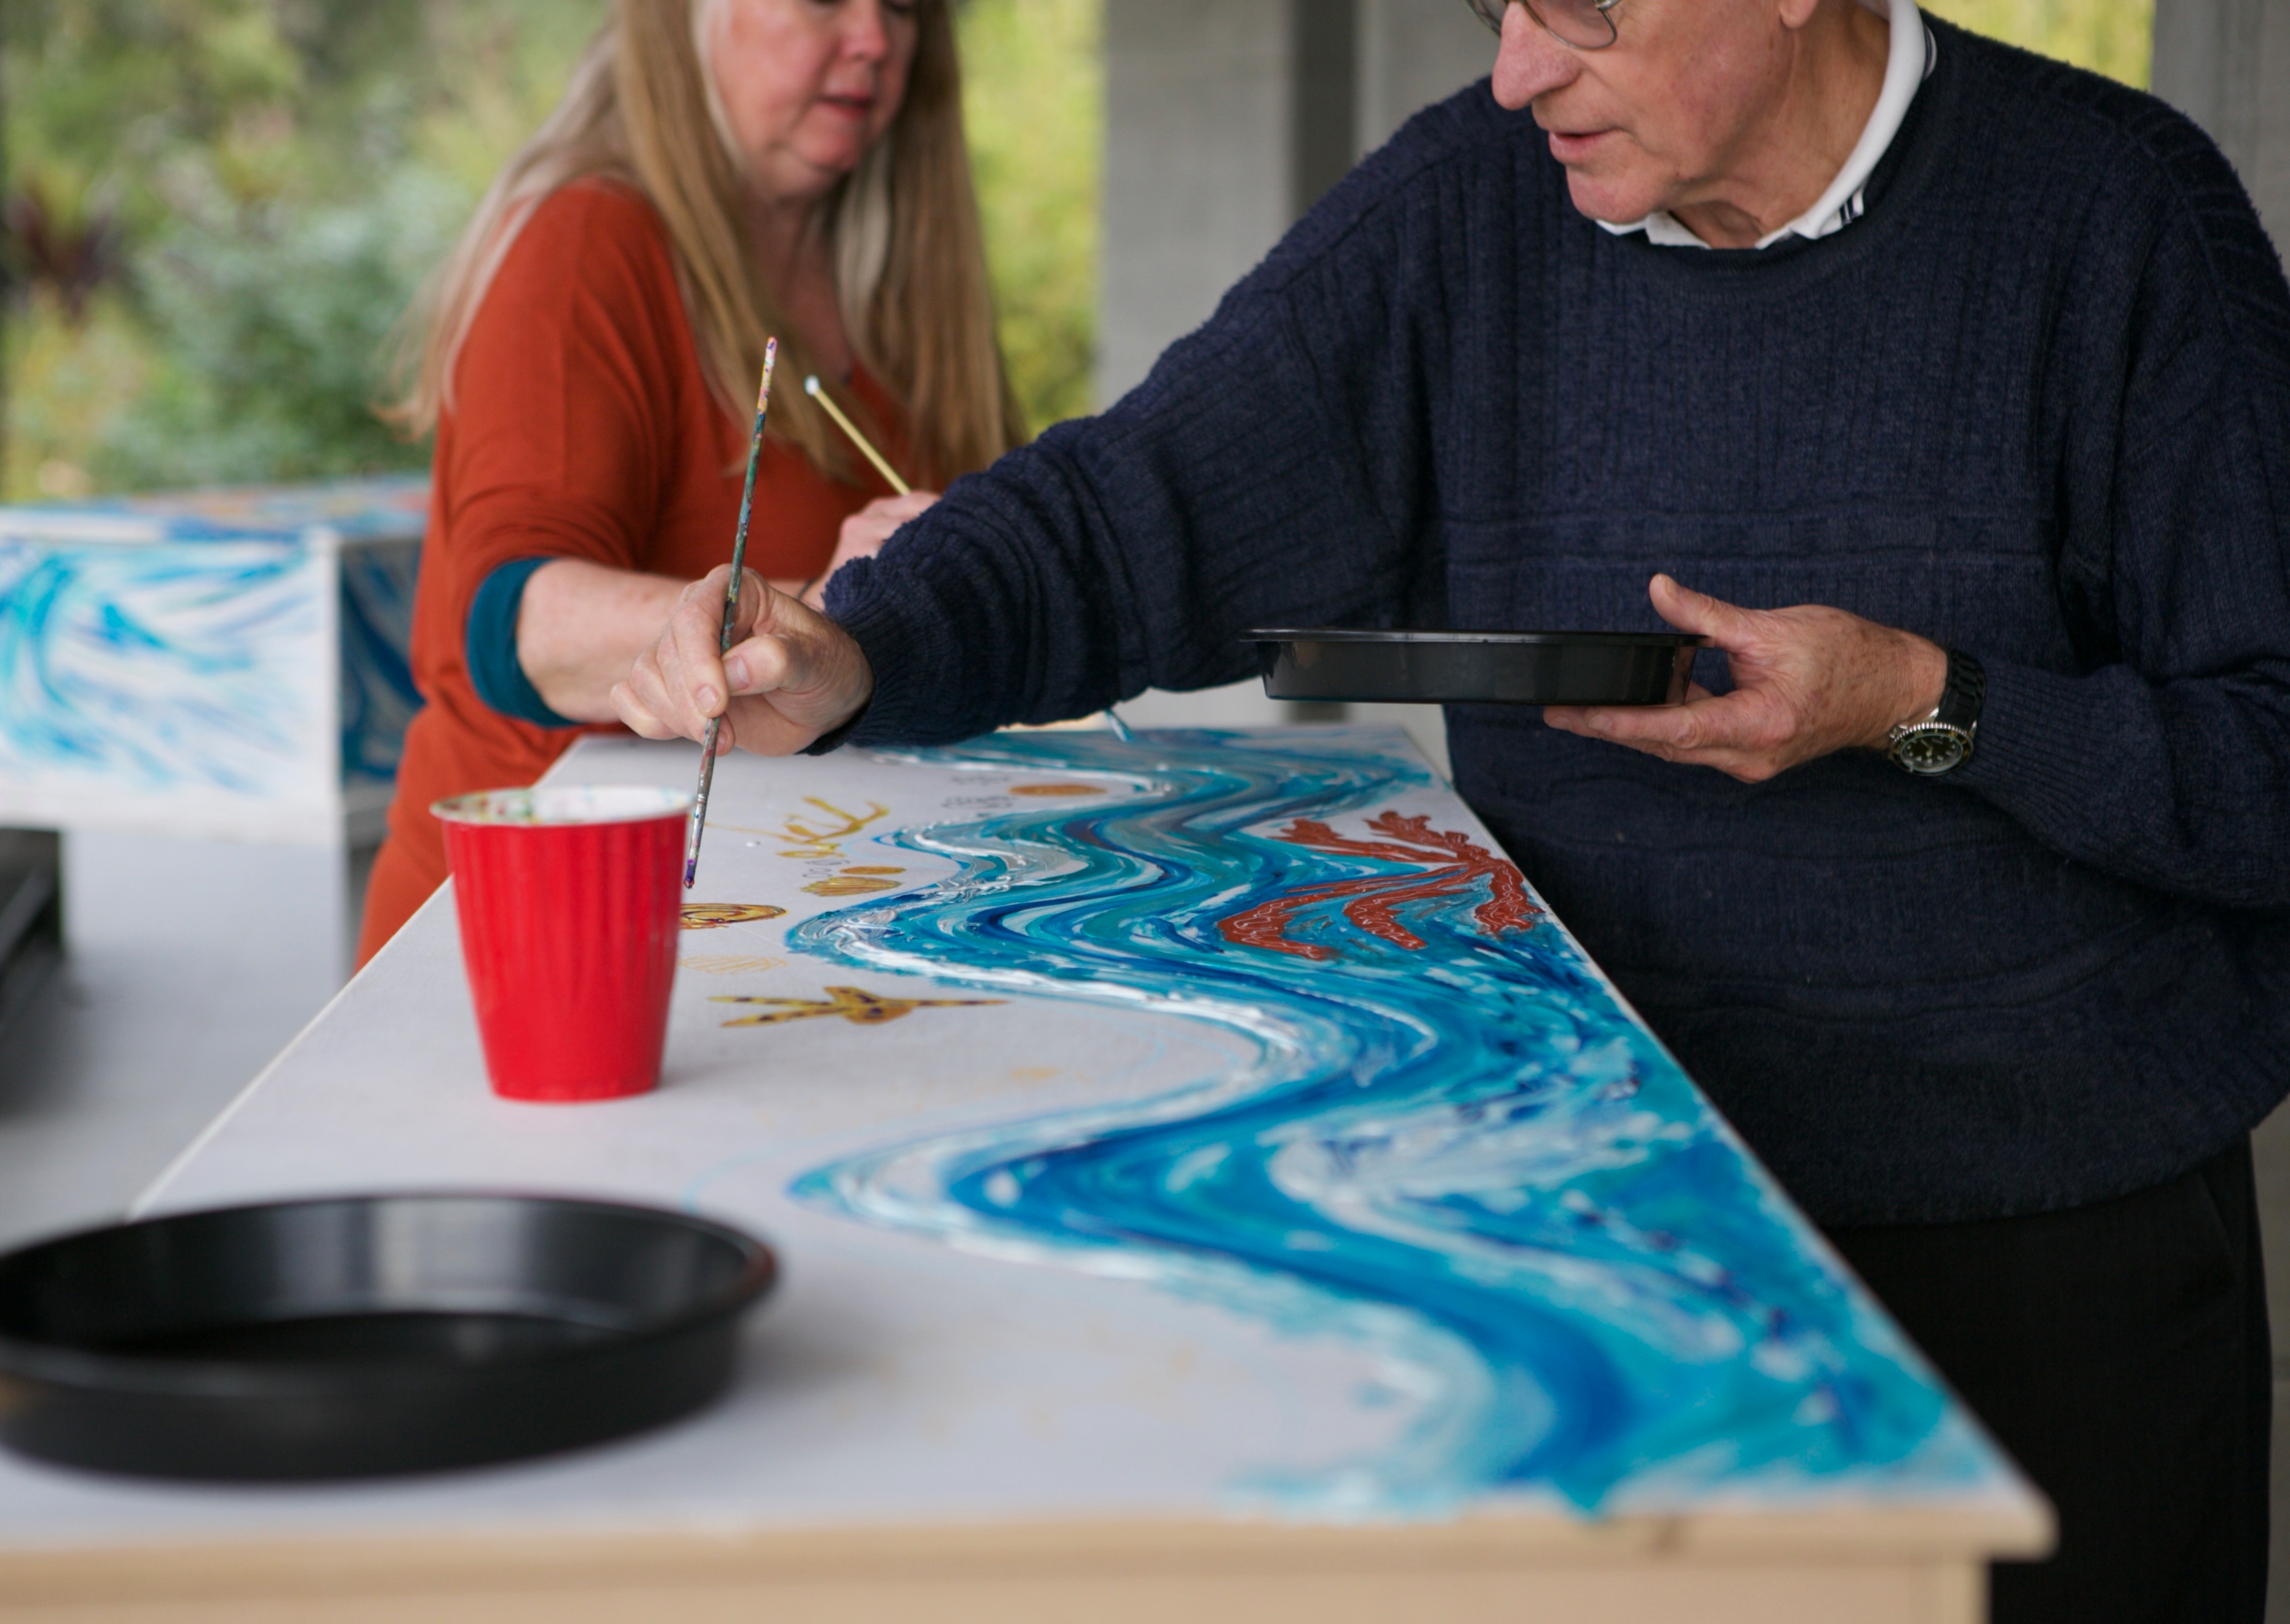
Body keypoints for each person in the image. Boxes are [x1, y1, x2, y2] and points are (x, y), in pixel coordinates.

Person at [615, 0, 2290, 1616]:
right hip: (1574, 1227)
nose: (1513, 74)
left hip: (2049, 1242)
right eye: (1491, 3)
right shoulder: (1473, 210)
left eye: (1578, 9)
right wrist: (862, 651)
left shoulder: (2121, 217)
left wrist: (1929, 705)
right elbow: (1137, 511)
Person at [356, 0, 1022, 965]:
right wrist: (830, 618)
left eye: (907, 6)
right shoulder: (586, 238)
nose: (877, 38)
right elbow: (525, 628)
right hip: (540, 934)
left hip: (801, 921)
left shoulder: (901, 281)